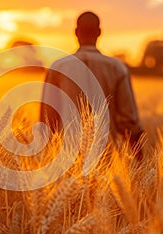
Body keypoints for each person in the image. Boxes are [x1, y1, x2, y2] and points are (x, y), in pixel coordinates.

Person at [40, 11, 144, 158]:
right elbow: (129, 120)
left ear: (76, 32)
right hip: (107, 155)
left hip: (66, 157)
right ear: (99, 32)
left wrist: (46, 160)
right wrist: (139, 162)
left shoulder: (58, 67)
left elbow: (47, 118)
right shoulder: (117, 68)